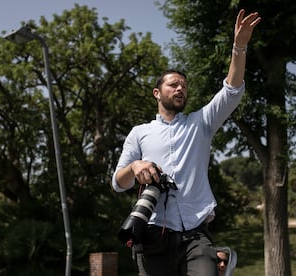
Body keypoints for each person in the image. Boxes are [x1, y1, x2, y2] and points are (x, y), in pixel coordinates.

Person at [112, 9, 260, 276]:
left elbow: (231, 91)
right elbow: (118, 183)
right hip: (154, 233)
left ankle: (221, 256)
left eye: (184, 85)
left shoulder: (200, 123)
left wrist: (239, 46)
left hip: (196, 234)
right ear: (157, 93)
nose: (180, 88)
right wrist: (135, 167)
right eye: (173, 84)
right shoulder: (139, 132)